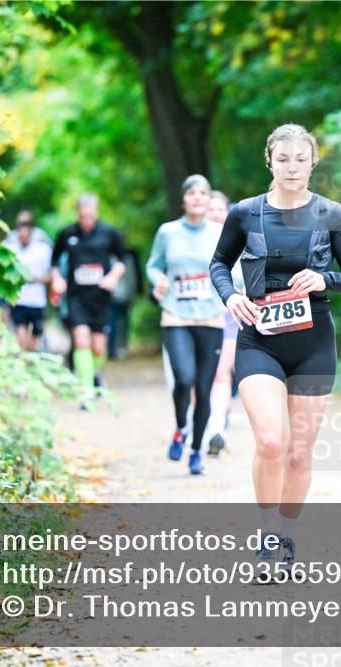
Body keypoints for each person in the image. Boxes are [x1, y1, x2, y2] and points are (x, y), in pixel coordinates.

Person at [209, 123, 341, 579]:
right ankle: (266, 538)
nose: (292, 167)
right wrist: (230, 296)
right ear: (270, 163)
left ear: (312, 163)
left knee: (299, 453)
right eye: (283, 159)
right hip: (259, 339)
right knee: (271, 441)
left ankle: (287, 535)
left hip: (313, 345)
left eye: (301, 159)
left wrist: (324, 278)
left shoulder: (332, 214)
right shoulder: (245, 213)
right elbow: (219, 263)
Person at [146, 175, 226, 476]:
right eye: (192, 192)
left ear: (208, 199)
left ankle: (195, 452)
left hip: (211, 315)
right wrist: (158, 280)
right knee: (184, 378)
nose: (197, 197)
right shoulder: (168, 232)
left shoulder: (220, 232)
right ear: (184, 199)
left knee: (204, 389)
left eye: (203, 193)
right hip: (176, 314)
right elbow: (153, 265)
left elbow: (233, 268)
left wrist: (240, 289)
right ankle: (181, 428)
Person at [50, 194, 127, 409]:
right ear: (78, 213)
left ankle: (94, 373)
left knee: (98, 348)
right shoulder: (67, 234)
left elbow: (122, 260)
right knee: (81, 340)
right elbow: (54, 261)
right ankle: (86, 391)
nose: (87, 220)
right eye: (83, 216)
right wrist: (57, 279)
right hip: (76, 296)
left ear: (96, 211)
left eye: (90, 216)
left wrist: (113, 277)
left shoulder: (109, 232)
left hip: (101, 297)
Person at [204, 190, 241, 456]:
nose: (216, 214)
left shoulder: (239, 240)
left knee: (221, 372)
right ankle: (201, 423)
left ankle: (217, 427)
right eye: (211, 209)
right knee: (200, 375)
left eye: (220, 209)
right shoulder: (189, 241)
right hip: (196, 317)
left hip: (228, 314)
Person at [3, 210, 53, 351]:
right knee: (21, 337)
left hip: (37, 301)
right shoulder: (9, 246)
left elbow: (51, 274)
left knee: (34, 341)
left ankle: (29, 359)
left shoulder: (43, 249)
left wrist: (35, 279)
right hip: (19, 299)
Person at [108, 247, 143, 360]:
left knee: (117, 322)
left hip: (119, 295)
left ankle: (115, 348)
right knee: (120, 322)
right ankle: (116, 348)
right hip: (122, 294)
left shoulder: (111, 255)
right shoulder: (130, 256)